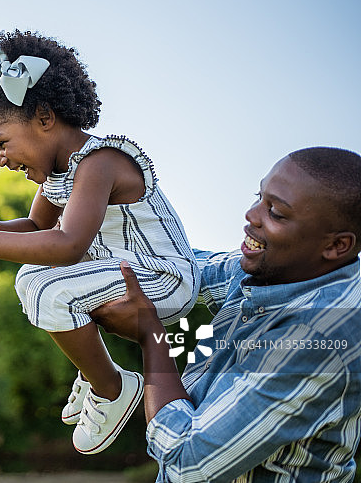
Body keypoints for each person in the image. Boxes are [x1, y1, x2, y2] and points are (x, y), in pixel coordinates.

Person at [0, 30, 200, 454]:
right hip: (125, 277)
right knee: (36, 281)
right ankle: (94, 374)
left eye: (2, 143)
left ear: (45, 118)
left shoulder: (101, 162)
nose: (1, 159)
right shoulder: (59, 176)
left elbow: (67, 244)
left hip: (162, 279)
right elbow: (36, 227)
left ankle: (109, 386)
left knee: (42, 284)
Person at [94, 146, 361, 481]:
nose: (251, 215)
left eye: (276, 212)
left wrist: (152, 337)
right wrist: (80, 240)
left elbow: (186, 465)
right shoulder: (275, 267)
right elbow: (181, 272)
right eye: (259, 196)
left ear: (337, 246)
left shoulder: (317, 337)